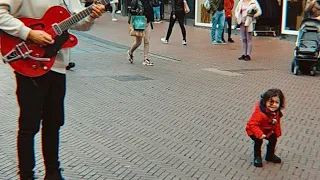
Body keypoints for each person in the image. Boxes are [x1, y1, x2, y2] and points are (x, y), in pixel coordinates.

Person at [0, 0, 105, 179]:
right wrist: (29, 33)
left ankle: (53, 173)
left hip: (57, 64)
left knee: (54, 122)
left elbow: (78, 22)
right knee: (29, 124)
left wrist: (91, 16)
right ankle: (26, 174)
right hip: (30, 62)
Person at [246, 88, 285, 167]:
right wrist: (259, 134)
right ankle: (257, 157)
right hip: (254, 130)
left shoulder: (276, 112)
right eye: (271, 102)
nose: (274, 105)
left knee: (273, 139)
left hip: (267, 129)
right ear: (265, 102)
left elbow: (276, 122)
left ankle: (270, 155)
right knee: (258, 141)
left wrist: (277, 132)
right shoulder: (260, 113)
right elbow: (252, 124)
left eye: (277, 102)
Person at [127, 0, 155, 66]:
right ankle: (130, 52)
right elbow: (131, 11)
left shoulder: (149, 1)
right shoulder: (136, 1)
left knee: (147, 41)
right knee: (138, 42)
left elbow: (152, 8)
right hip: (139, 22)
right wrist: (137, 11)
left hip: (147, 22)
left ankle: (146, 59)